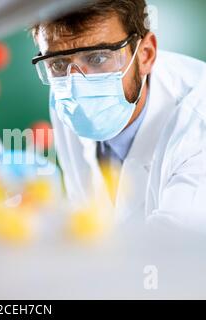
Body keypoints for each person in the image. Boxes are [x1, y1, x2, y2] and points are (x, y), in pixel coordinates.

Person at [31, 0, 206, 229]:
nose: (75, 85)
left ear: (145, 55)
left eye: (98, 58)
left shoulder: (198, 121)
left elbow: (171, 250)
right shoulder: (64, 95)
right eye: (58, 63)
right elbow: (87, 215)